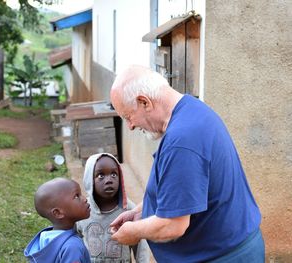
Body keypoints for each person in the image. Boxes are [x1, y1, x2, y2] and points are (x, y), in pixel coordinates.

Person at [109, 65, 265, 262]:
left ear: (144, 102)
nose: (130, 126)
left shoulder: (182, 141)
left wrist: (134, 232)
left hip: (221, 256)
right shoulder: (191, 108)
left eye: (128, 116)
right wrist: (141, 211)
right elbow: (182, 194)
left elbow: (173, 225)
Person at [76, 152, 150, 262]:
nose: (109, 180)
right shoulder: (83, 209)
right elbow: (75, 239)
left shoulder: (129, 209)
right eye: (101, 175)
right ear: (89, 180)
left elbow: (141, 247)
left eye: (114, 174)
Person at [24, 178, 91, 263]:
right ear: (58, 213)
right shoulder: (73, 247)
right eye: (77, 196)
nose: (85, 199)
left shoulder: (45, 237)